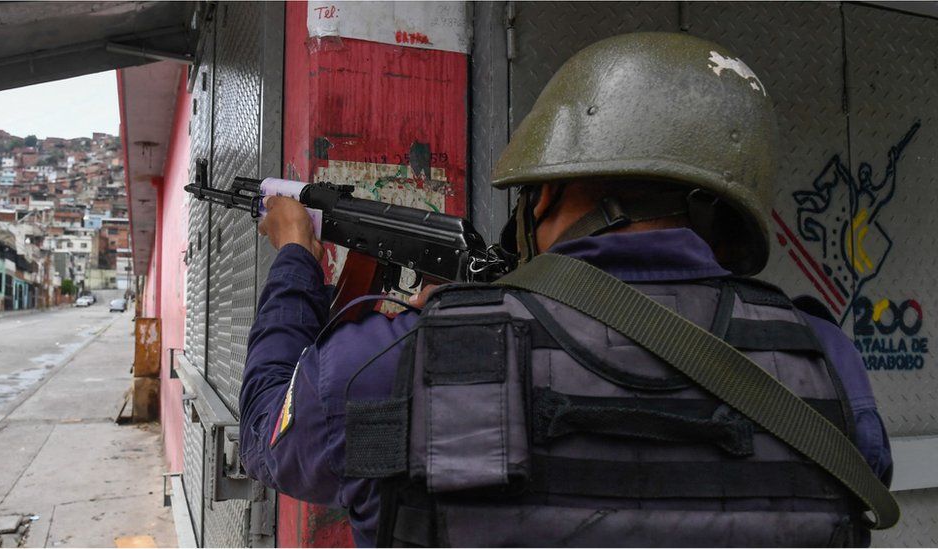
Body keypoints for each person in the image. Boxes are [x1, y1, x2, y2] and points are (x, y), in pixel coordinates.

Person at [239, 32, 892, 547]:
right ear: (728, 218)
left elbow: (269, 433)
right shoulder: (827, 361)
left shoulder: (397, 364)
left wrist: (298, 257)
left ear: (546, 190)